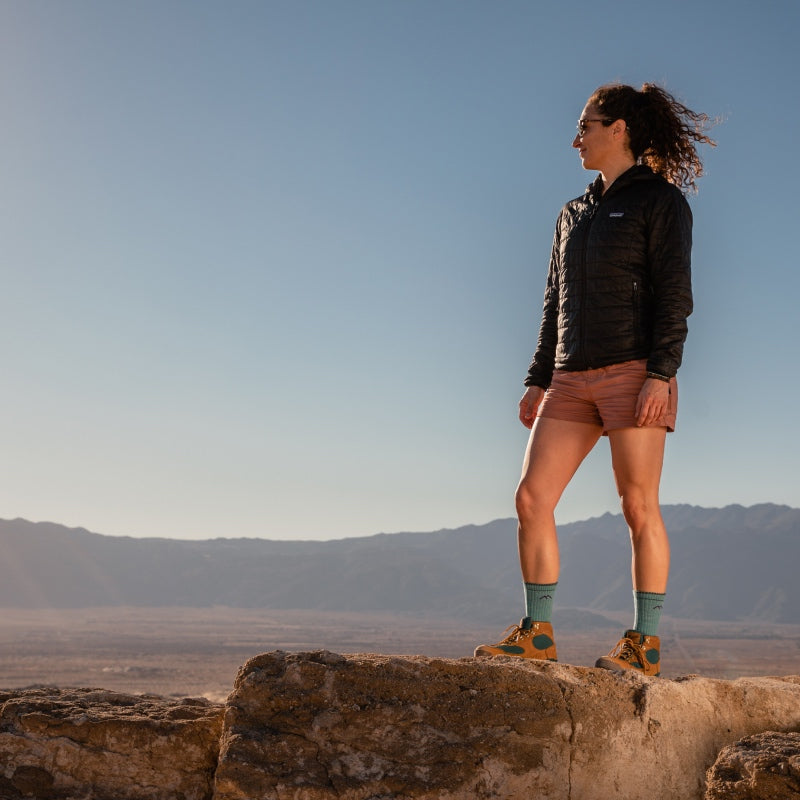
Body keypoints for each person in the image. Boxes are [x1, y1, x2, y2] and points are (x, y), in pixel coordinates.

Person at [474, 83, 715, 676]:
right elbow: (554, 302)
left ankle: (645, 644)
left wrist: (661, 374)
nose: (576, 136)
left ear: (621, 129)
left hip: (635, 372)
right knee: (531, 498)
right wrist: (537, 377)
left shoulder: (661, 202)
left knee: (638, 506)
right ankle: (537, 633)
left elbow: (675, 298)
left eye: (587, 124)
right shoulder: (572, 213)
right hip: (569, 376)